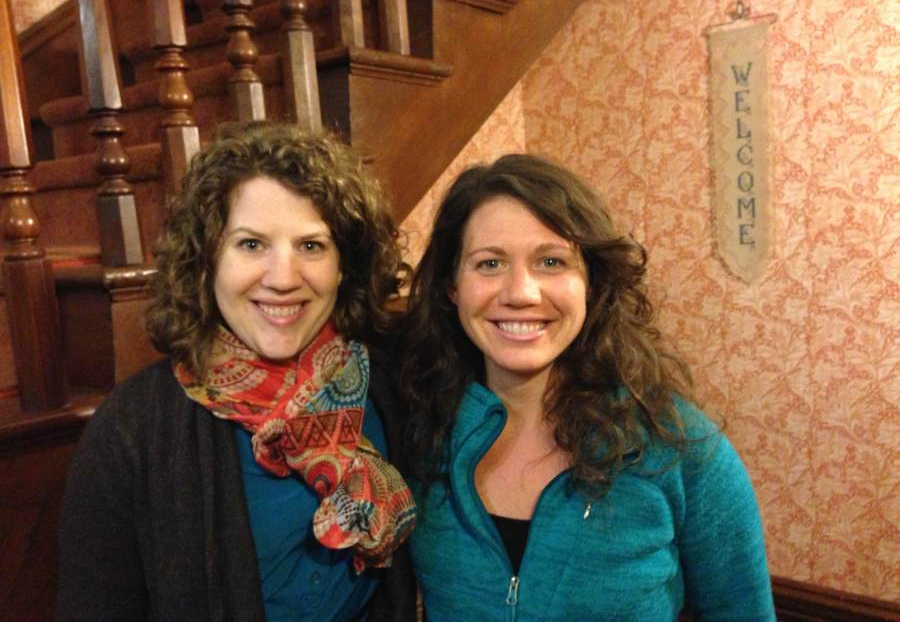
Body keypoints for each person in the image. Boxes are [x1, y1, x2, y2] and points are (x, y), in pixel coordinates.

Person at [58, 122, 417, 621]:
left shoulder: (390, 381)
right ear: (208, 261)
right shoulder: (133, 430)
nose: (283, 278)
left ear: (344, 265)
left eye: (311, 246)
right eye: (251, 245)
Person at [398, 154, 775, 620]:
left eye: (551, 261)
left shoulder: (681, 452)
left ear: (592, 283)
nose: (521, 293)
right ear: (452, 286)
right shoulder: (419, 435)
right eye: (490, 263)